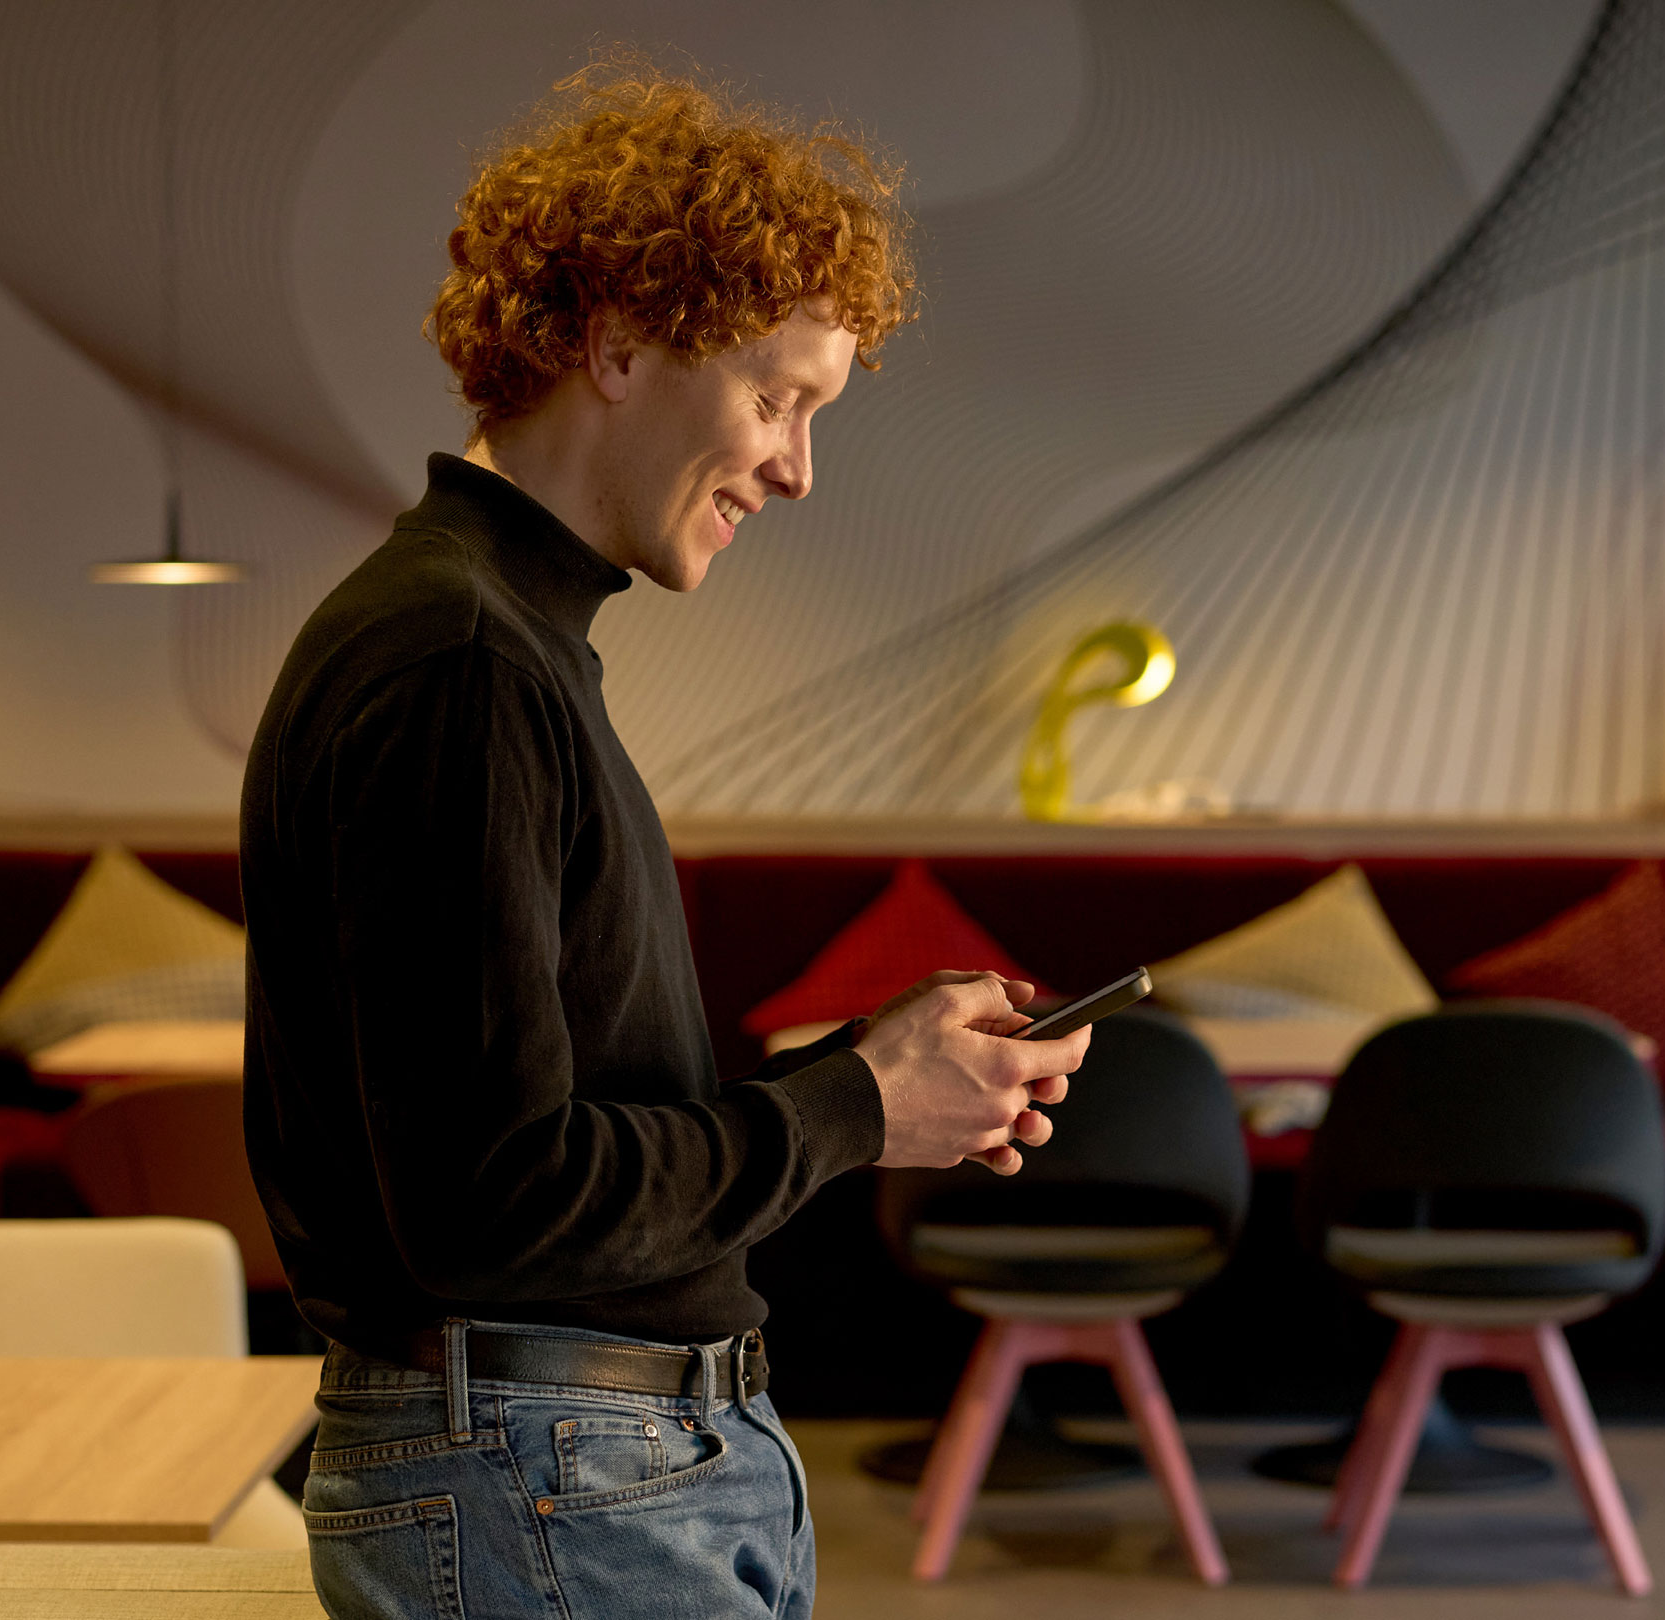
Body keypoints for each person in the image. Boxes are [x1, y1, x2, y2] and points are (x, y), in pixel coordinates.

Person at [240, 57, 1090, 1620]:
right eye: (778, 399)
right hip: (550, 1470)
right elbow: (495, 1205)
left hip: (581, 1463)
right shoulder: (462, 662)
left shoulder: (498, 641)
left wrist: (873, 1091)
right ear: (616, 341)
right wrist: (847, 1106)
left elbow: (547, 1154)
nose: (797, 466)